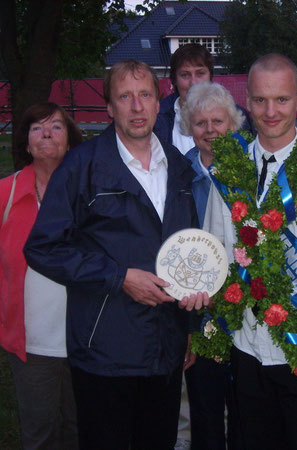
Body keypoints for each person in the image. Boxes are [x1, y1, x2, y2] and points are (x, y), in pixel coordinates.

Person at [24, 60, 210, 450]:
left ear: (160, 103)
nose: (137, 107)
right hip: (105, 350)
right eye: (124, 97)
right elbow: (42, 248)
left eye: (145, 95)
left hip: (165, 347)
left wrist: (190, 328)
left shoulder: (179, 168)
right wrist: (117, 276)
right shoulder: (82, 166)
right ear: (109, 107)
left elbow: (189, 247)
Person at [205, 53, 297, 449]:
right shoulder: (227, 169)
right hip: (244, 342)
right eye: (260, 100)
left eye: (282, 100)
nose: (270, 112)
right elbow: (215, 248)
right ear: (248, 101)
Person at [0, 101, 82, 449]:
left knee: (85, 432)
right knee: (41, 436)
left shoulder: (91, 192)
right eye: (37, 127)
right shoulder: (5, 194)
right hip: (32, 343)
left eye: (56, 126)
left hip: (87, 338)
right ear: (27, 142)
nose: (47, 133)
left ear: (70, 140)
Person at [180, 81, 244, 450]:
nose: (210, 131)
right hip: (198, 303)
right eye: (200, 123)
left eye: (217, 121)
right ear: (190, 126)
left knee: (243, 402)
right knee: (204, 400)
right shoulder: (179, 172)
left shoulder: (248, 167)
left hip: (243, 300)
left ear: (231, 123)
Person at [154, 43, 253, 154]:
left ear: (210, 76)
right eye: (185, 75)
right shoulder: (157, 117)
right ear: (174, 80)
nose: (193, 82)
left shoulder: (235, 114)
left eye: (200, 73)